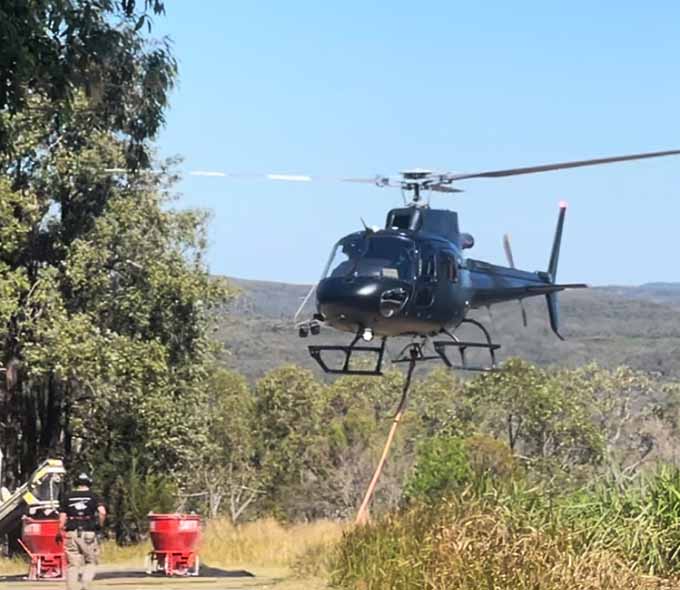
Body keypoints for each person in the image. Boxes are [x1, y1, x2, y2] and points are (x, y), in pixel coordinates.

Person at [58, 473, 106, 590]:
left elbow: (62, 517)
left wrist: (60, 530)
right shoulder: (94, 496)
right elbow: (102, 512)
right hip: (88, 531)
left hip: (71, 532)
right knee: (91, 561)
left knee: (72, 564)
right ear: (89, 483)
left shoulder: (67, 497)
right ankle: (85, 584)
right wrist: (99, 525)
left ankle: (71, 588)